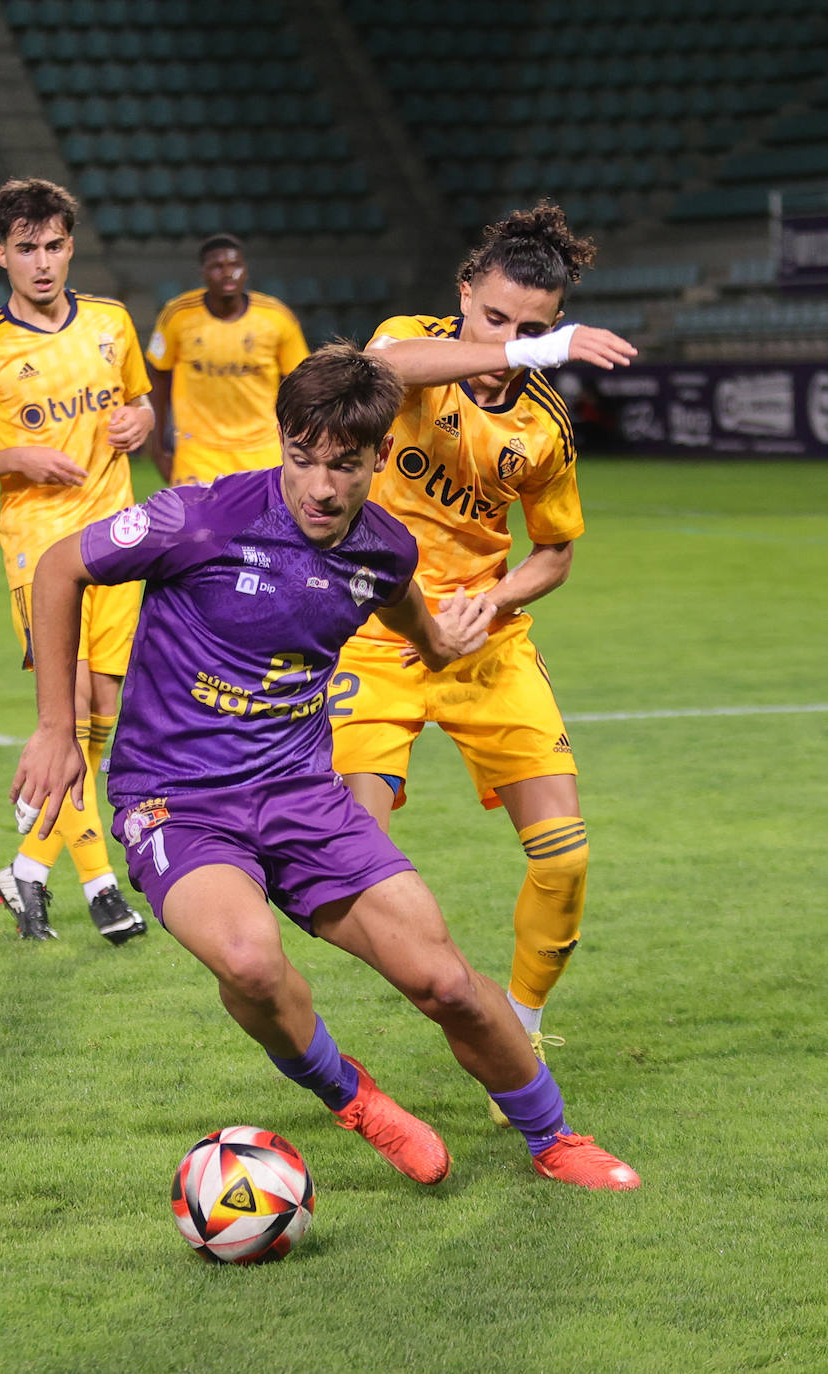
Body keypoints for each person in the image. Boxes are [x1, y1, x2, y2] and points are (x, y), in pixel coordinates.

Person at [12, 342, 640, 1192]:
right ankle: (353, 1098)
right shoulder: (195, 518)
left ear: (379, 456)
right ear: (282, 444)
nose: (318, 486)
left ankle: (553, 1138)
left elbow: (407, 610)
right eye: (301, 459)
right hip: (179, 801)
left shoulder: (383, 549)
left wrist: (439, 640)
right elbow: (60, 566)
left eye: (343, 466)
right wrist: (57, 725)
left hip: (304, 797)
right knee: (250, 962)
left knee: (447, 981)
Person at [328, 202, 638, 1126]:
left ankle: (519, 1022)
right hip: (376, 632)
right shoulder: (406, 347)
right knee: (352, 858)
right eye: (495, 317)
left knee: (565, 857)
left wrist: (492, 601)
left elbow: (553, 552)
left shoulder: (542, 430)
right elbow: (377, 369)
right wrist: (520, 354)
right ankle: (371, 1037)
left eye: (534, 329)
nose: (511, 338)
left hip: (483, 641)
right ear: (463, 294)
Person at [0, 176, 152, 948]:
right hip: (40, 548)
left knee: (98, 721)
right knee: (72, 710)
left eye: (54, 245)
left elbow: (144, 403)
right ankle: (100, 886)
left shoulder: (113, 323)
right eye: (27, 248)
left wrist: (139, 419)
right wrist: (14, 454)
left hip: (119, 539)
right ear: (3, 256)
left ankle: (26, 869)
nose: (43, 262)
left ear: (69, 246)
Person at [145, 233, 308, 485]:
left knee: (269, 525)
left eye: (235, 265)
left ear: (245, 270)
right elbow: (157, 374)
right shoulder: (177, 315)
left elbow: (301, 384)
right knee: (196, 525)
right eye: (217, 267)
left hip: (262, 448)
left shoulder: (277, 317)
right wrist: (157, 449)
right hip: (198, 451)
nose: (227, 273)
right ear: (203, 273)